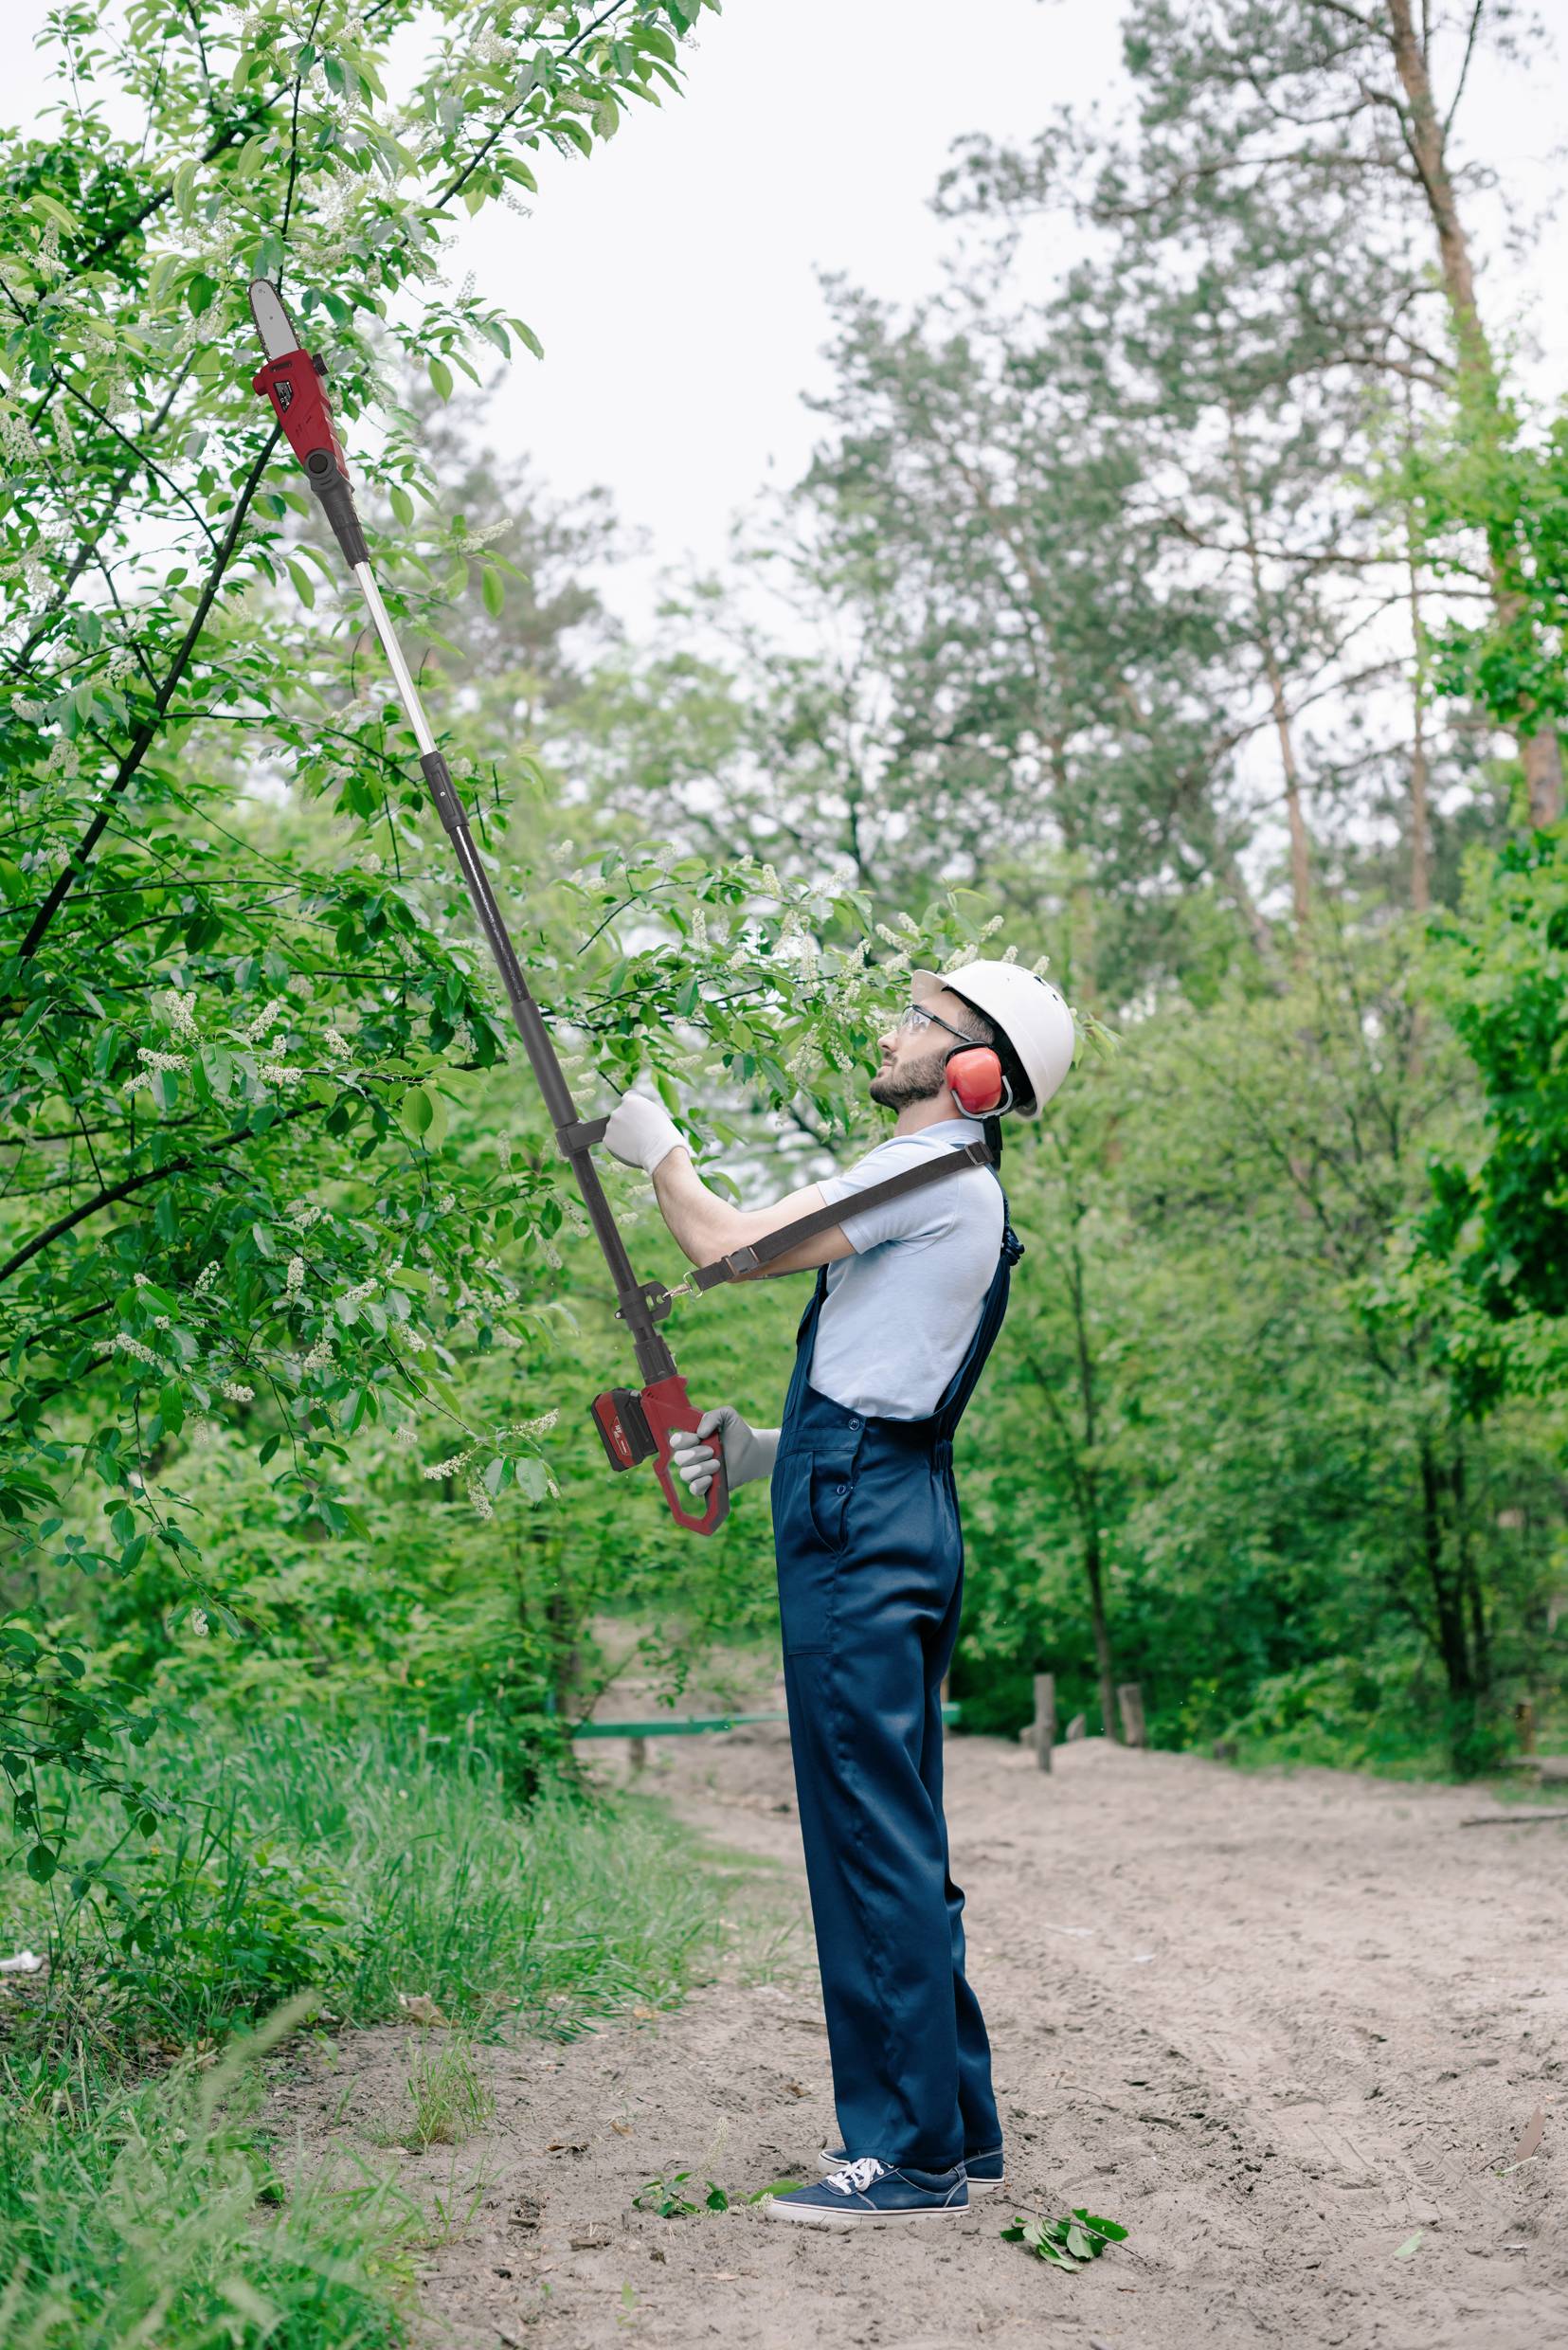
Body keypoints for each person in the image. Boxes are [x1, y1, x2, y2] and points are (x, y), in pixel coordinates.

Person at [602, 958, 1075, 2230]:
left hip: (861, 1520)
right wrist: (762, 1451)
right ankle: (957, 2132)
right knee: (898, 1826)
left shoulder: (930, 1170)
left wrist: (662, 1155)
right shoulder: (953, 1192)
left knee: (864, 1832)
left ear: (979, 1072)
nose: (895, 1028)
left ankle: (906, 2154)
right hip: (886, 1496)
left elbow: (721, 1248)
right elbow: (886, 1377)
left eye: (926, 1021)